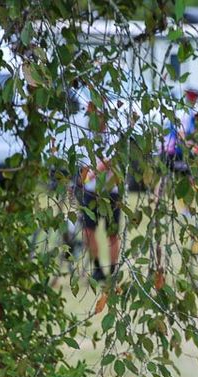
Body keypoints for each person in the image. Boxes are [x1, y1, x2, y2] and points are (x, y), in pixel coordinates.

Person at [79, 103, 122, 281]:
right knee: (89, 231)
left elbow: (108, 161)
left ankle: (111, 269)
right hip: (91, 192)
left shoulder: (112, 136)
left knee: (111, 234)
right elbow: (82, 163)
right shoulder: (86, 135)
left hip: (110, 192)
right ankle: (97, 267)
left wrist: (92, 173)